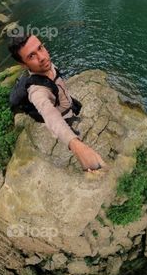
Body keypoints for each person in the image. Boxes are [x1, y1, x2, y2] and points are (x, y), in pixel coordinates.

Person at [7, 32, 106, 172]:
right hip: (62, 114)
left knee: (73, 112)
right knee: (67, 124)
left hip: (66, 101)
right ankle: (72, 129)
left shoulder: (45, 65)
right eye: (31, 56)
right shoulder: (36, 92)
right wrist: (76, 146)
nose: (42, 57)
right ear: (23, 64)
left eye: (40, 48)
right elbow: (51, 117)